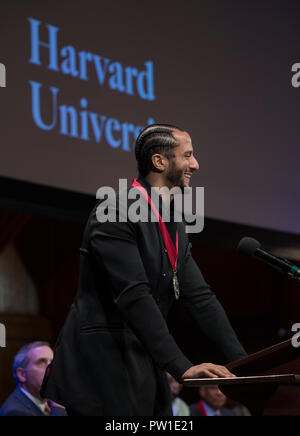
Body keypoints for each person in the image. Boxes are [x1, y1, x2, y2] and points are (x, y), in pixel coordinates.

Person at [41, 124, 247, 416]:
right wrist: (183, 368)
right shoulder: (114, 210)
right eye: (187, 155)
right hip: (102, 367)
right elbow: (133, 295)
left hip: (142, 358)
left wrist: (245, 363)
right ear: (159, 161)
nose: (195, 164)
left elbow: (200, 297)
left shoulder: (173, 220)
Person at [0, 341, 66, 416]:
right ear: (22, 374)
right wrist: (58, 407)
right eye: (41, 362)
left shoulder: (47, 404)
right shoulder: (15, 412)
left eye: (53, 362)